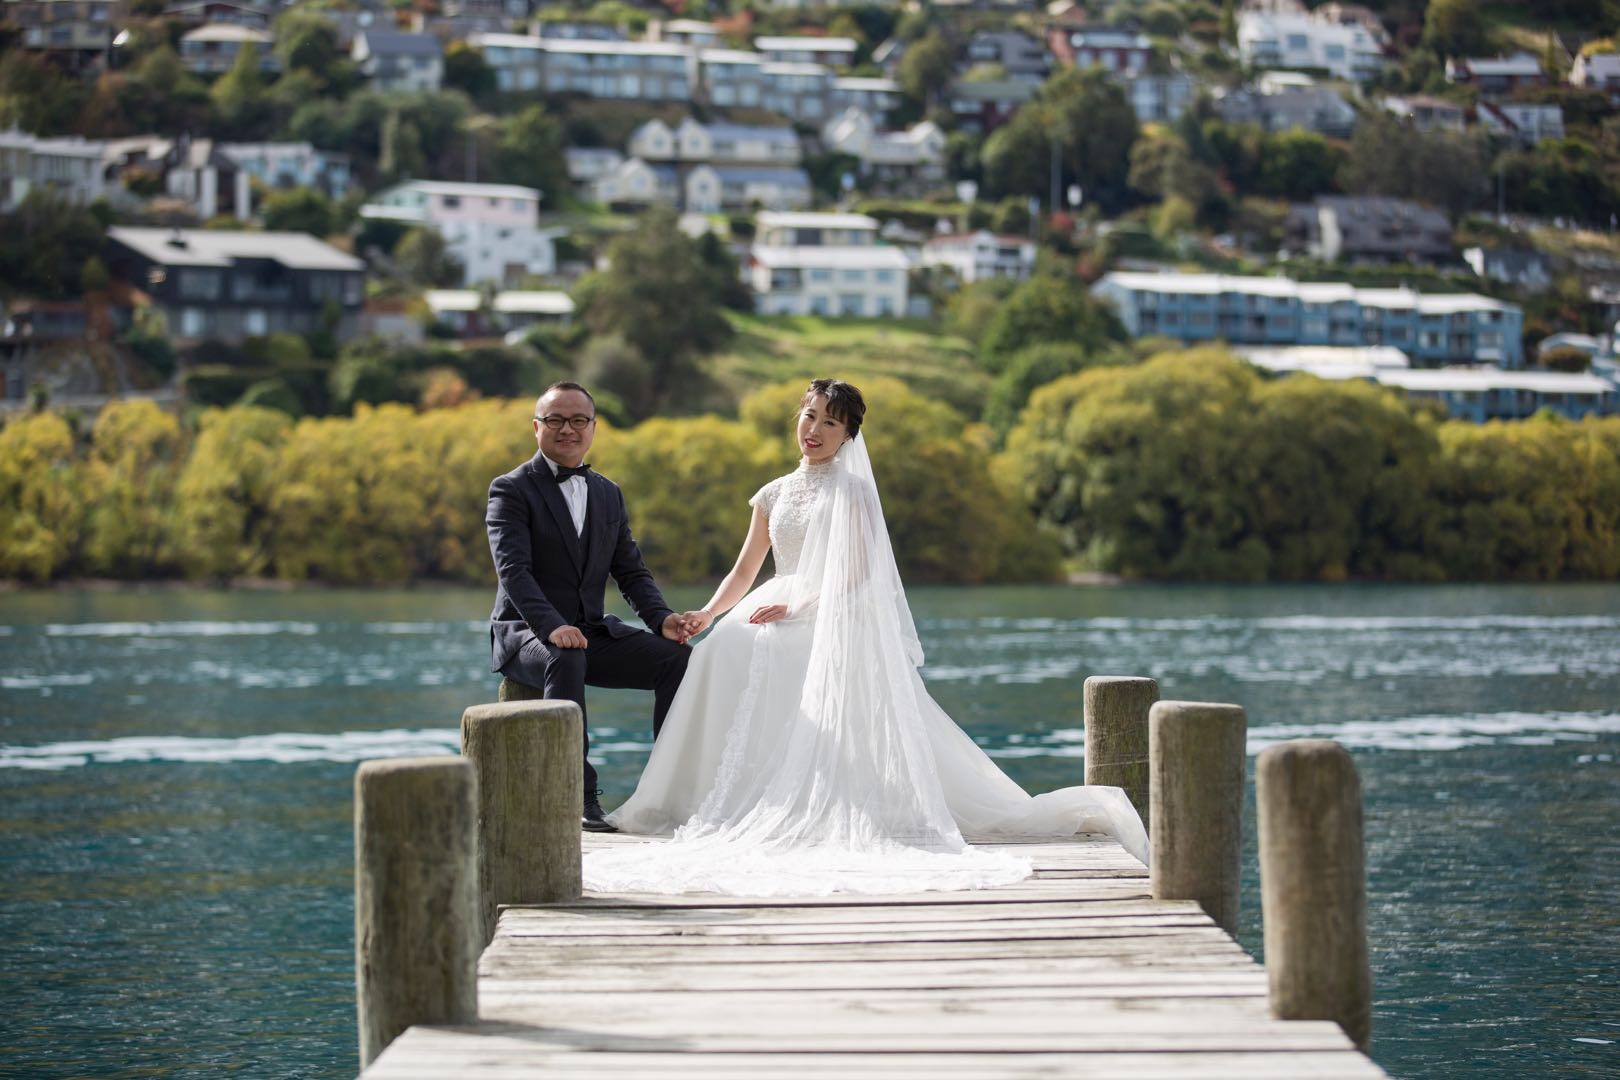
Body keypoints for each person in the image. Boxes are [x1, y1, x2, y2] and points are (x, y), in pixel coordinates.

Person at [583, 379, 1148, 896]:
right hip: (770, 599)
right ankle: (715, 800)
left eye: (831, 422)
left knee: (793, 653)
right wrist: (706, 614)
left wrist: (799, 604)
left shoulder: (853, 493)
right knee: (719, 653)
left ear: (849, 434)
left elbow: (855, 573)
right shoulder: (773, 493)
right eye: (809, 416)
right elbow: (744, 569)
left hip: (829, 606)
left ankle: (820, 799)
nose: (815, 430)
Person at [485, 381, 699, 832]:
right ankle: (579, 798)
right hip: (526, 634)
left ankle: (665, 791)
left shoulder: (607, 493)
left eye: (578, 420)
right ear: (536, 427)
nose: (568, 429)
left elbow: (631, 572)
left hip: (592, 631)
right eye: (556, 420)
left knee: (679, 660)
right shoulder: (510, 489)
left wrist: (662, 619)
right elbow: (514, 573)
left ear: (594, 427)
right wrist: (551, 627)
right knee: (565, 658)